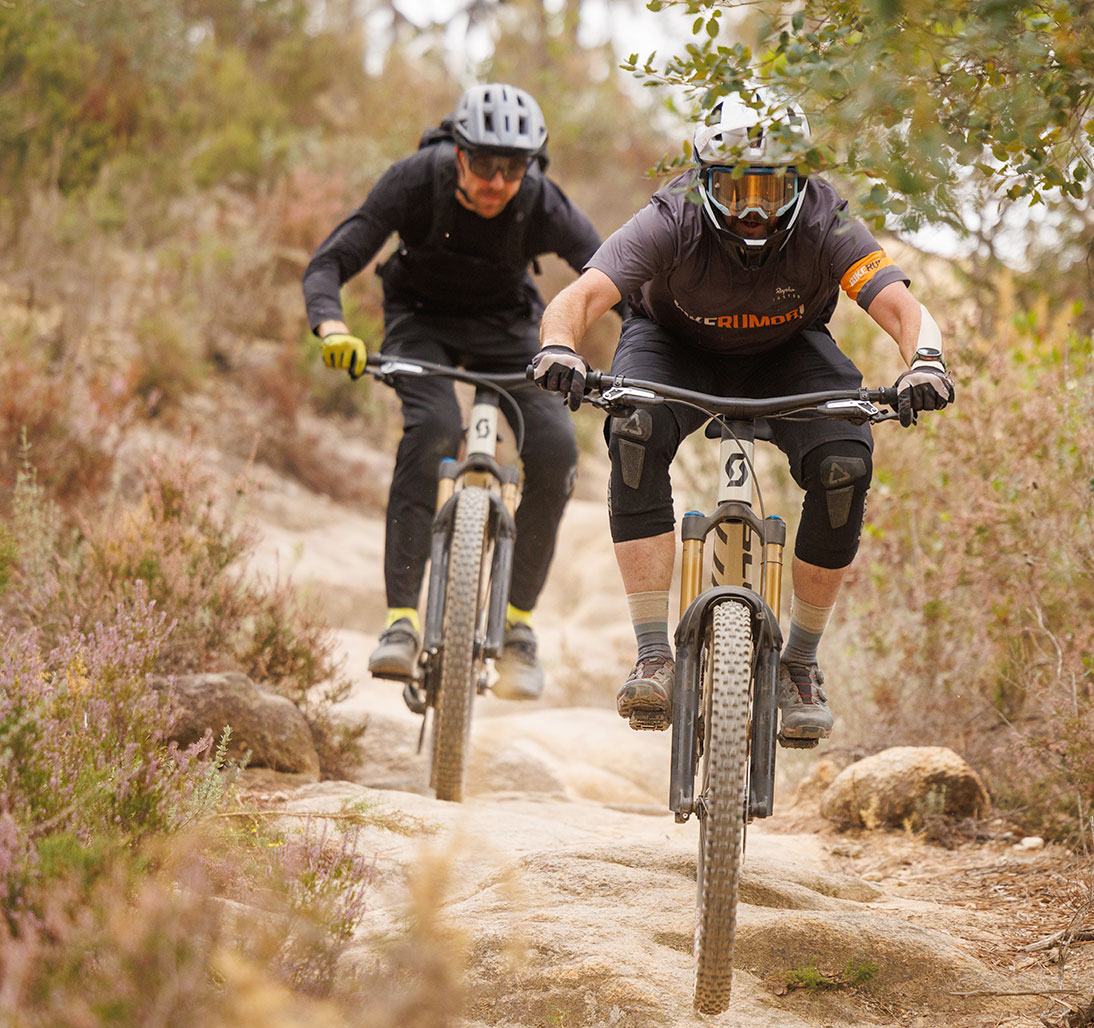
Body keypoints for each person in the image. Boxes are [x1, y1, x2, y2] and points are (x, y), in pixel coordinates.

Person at [528, 92, 954, 743]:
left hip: (787, 354)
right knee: (634, 429)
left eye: (770, 187)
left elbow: (898, 304)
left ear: (799, 181)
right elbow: (580, 297)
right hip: (673, 349)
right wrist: (559, 348)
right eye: (733, 189)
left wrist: (925, 360)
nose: (752, 208)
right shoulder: (671, 217)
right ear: (705, 180)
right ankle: (653, 657)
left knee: (844, 463)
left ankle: (800, 666)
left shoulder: (825, 218)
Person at [304, 83, 609, 700]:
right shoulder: (415, 180)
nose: (499, 182)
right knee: (434, 428)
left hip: (508, 328)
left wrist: (647, 354)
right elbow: (330, 262)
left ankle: (519, 626)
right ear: (458, 154)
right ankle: (401, 623)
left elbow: (613, 277)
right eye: (485, 165)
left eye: (514, 168)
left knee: (554, 450)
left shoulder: (541, 201)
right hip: (421, 325)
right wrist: (332, 327)